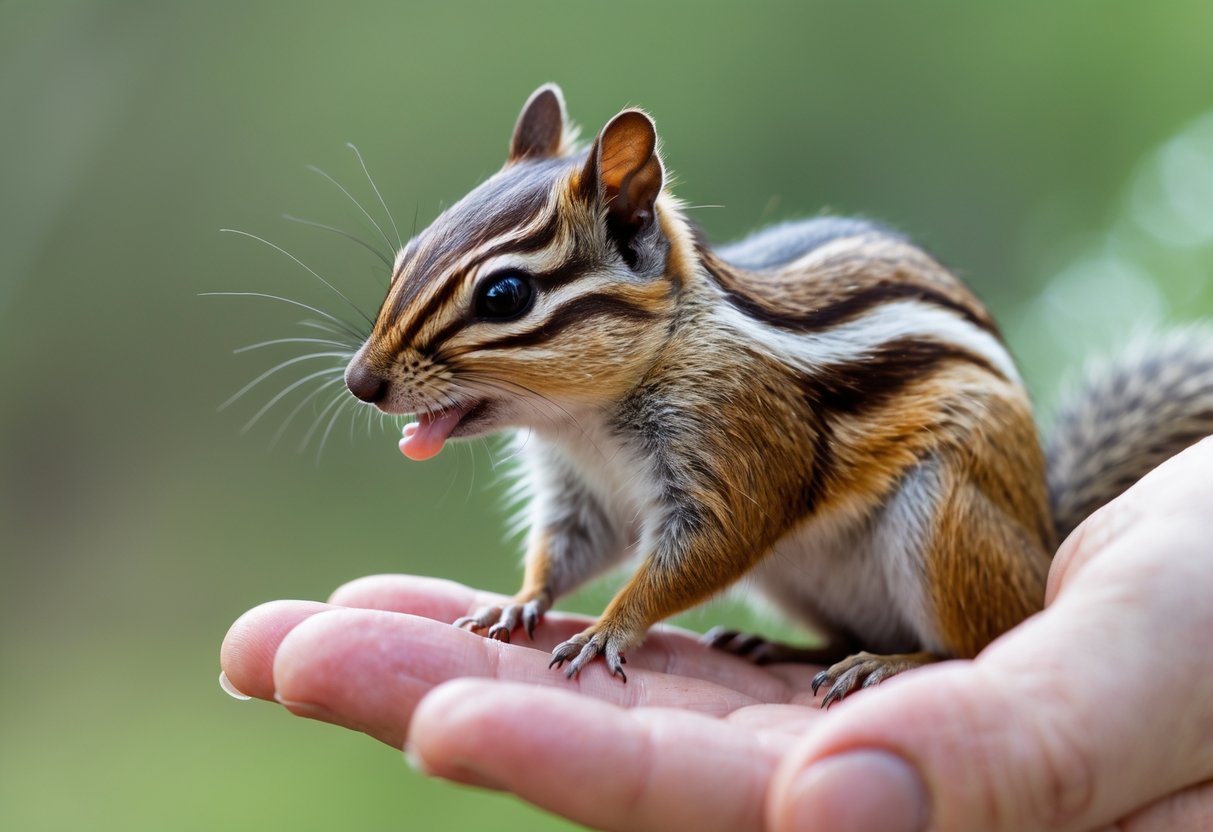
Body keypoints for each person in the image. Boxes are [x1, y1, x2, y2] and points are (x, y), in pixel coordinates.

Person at [220, 437, 1213, 831]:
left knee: (903, 505)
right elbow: (589, 520)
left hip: (941, 503)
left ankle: (937, 648)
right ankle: (838, 649)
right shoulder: (570, 417)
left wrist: (622, 619)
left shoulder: (701, 389)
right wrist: (537, 593)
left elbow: (720, 524)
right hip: (834, 571)